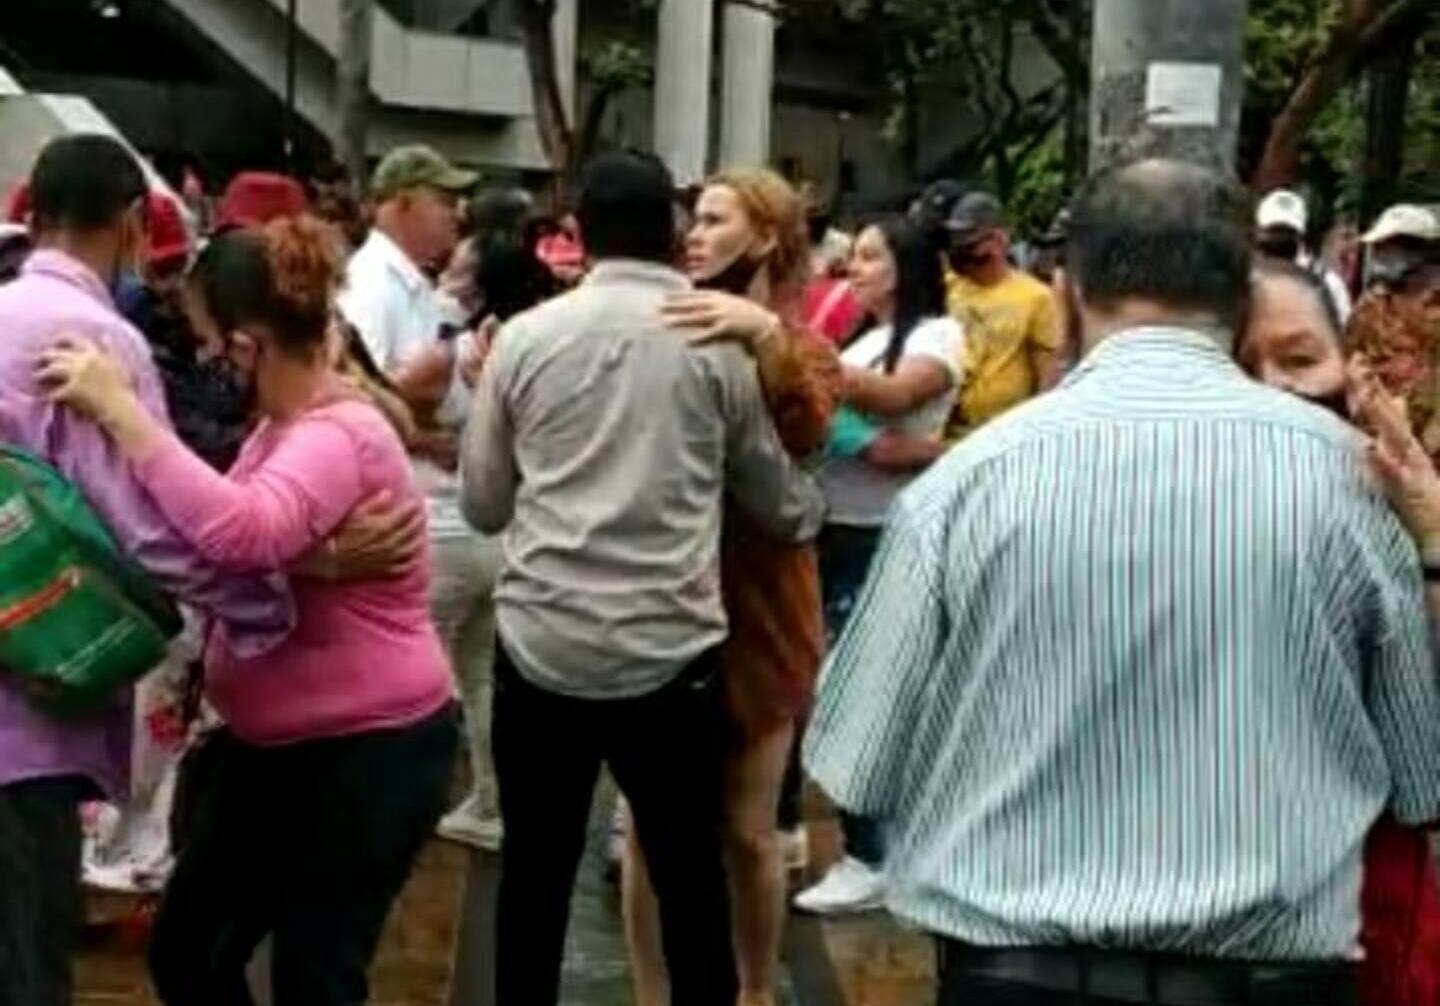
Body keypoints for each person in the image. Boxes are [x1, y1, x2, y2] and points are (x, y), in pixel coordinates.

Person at [805, 159, 1440, 1006]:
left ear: (1068, 289)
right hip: (1270, 983)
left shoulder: (967, 484)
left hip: (1013, 977)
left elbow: (858, 765)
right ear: (1240, 298)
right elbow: (1419, 774)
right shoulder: (1350, 487)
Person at [39, 214, 458, 1006]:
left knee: (315, 975)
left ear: (244, 344)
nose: (201, 357)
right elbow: (244, 535)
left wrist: (120, 412)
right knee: (190, 951)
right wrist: (319, 559)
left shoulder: (339, 433)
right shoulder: (290, 427)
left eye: (206, 339)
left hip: (368, 750)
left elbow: (241, 532)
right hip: (276, 748)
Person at [460, 151, 826, 1006]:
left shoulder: (525, 339)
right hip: (671, 656)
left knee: (534, 878)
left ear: (578, 233)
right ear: (669, 229)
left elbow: (482, 505)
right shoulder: (714, 341)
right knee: (688, 872)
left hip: (541, 645)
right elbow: (777, 501)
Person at [0, 133, 292, 1006]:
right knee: (22, 960)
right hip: (30, 702)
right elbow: (149, 526)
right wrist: (262, 604)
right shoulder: (95, 342)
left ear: (32, 211)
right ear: (132, 224)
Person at [624, 168, 841, 1006]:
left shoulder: (800, 344)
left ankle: (753, 992)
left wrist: (762, 336)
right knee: (649, 830)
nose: (696, 233)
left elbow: (811, 427)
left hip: (762, 618)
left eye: (716, 219)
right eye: (695, 219)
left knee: (752, 836)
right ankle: (652, 992)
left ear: (766, 239)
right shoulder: (663, 324)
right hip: (663, 604)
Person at [1238, 258, 1440, 1006]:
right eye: (1241, 365)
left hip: (1362, 913)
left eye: (1299, 359)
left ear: (1351, 371)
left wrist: (1428, 529)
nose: (1275, 389)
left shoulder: (1398, 504)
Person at [793, 215, 963, 916]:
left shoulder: (935, 336)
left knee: (856, 693)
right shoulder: (863, 337)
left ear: (908, 264)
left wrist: (798, 365)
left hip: (884, 535)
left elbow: (895, 406)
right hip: (837, 529)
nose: (853, 270)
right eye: (852, 258)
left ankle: (871, 855)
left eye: (869, 257)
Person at [339, 145, 505, 850]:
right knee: (426, 682)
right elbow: (360, 393)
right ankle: (397, 812)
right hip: (422, 512)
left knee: (474, 675)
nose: (455, 215)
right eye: (443, 200)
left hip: (458, 505)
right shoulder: (370, 284)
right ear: (402, 201)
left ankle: (487, 805)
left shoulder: (417, 286)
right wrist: (426, 408)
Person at [943, 190, 1063, 439]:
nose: (961, 250)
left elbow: (1048, 371)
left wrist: (1038, 432)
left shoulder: (1036, 297)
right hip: (945, 431)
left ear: (998, 240)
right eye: (956, 241)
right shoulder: (947, 286)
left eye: (969, 241)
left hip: (1003, 433)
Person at [1348, 203, 1440, 461]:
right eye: (1378, 249)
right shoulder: (1372, 304)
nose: (1379, 256)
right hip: (1374, 446)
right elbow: (1354, 360)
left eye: (1389, 248)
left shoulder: (1434, 303)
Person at [1254, 188, 1354, 321]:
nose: (1278, 238)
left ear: (1300, 236)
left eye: (1286, 231)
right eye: (1273, 231)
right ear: (1259, 233)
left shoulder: (1328, 284)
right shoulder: (1245, 280)